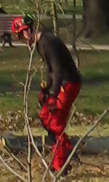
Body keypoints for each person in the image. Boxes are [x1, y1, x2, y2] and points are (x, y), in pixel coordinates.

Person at [12, 15, 81, 172]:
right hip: (60, 84)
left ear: (26, 32)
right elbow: (50, 70)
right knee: (45, 116)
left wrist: (52, 95)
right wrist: (45, 91)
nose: (23, 42)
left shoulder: (47, 42)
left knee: (55, 122)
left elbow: (58, 70)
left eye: (21, 37)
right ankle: (67, 154)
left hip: (68, 84)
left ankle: (61, 164)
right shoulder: (40, 44)